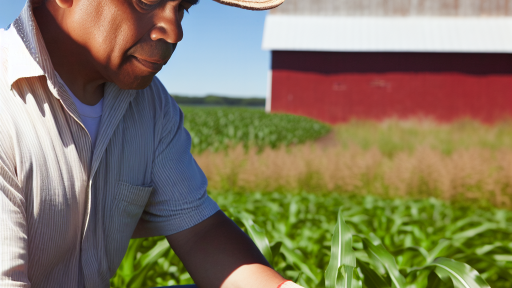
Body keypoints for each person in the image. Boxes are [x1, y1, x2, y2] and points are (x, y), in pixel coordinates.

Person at [0, 0, 305, 287]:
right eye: (146, 2)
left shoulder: (150, 105)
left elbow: (199, 231)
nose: (174, 31)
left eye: (183, 7)